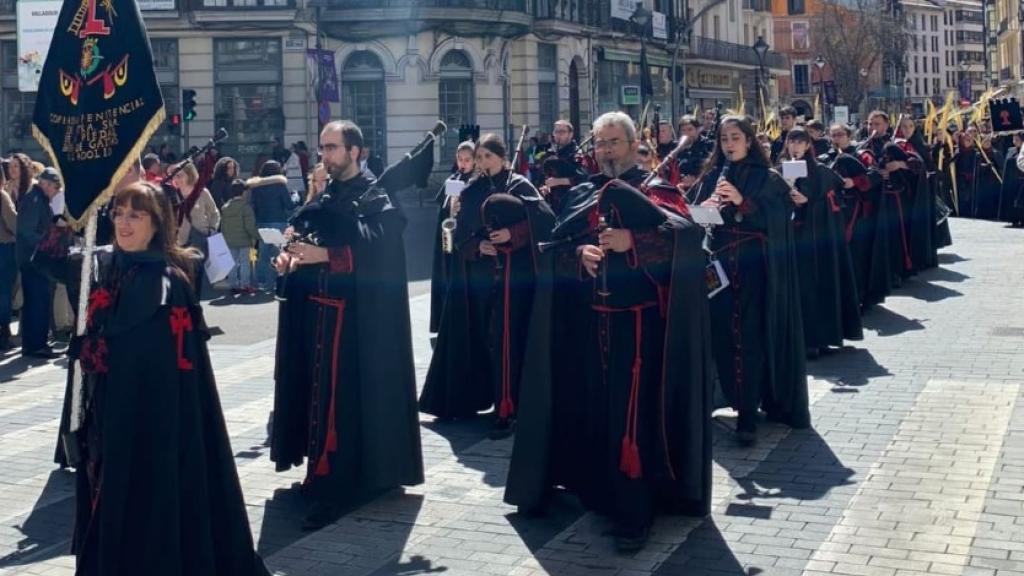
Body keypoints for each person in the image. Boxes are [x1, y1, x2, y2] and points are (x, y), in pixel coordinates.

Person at [505, 111, 714, 553]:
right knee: (593, 412)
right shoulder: (582, 191)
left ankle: (634, 510)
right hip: (587, 326)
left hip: (639, 329)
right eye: (599, 143)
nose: (605, 151)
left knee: (631, 418)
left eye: (614, 142)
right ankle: (601, 493)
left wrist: (632, 243)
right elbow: (556, 251)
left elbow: (686, 241)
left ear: (633, 144)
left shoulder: (659, 190)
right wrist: (580, 253)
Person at [55, 181, 270, 575]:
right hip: (112, 417)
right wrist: (67, 216)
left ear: (157, 224)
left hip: (153, 425)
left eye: (136, 215)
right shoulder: (105, 264)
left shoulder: (167, 282)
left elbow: (149, 360)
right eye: (118, 213)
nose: (124, 223)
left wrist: (100, 351)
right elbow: (48, 262)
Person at [270, 120, 423, 530]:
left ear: (356, 151)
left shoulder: (378, 196)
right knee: (314, 397)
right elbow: (303, 232)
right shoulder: (328, 192)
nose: (325, 156)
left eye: (333, 148)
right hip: (315, 315)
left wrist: (326, 257)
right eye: (322, 148)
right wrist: (290, 257)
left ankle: (338, 483)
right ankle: (317, 473)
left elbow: (379, 253)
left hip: (357, 327)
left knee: (343, 404)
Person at [420, 134, 554, 438]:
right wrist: (479, 245)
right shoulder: (471, 191)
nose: (482, 163)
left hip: (514, 280)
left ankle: (508, 407)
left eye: (487, 157)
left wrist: (513, 234)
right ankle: (471, 398)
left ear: (503, 158)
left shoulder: (520, 185)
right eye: (478, 158)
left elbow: (544, 219)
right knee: (480, 337)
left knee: (508, 339)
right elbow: (461, 234)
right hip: (478, 280)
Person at [691, 115, 808, 445]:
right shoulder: (715, 173)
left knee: (750, 338)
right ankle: (722, 397)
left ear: (748, 140)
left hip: (755, 269)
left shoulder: (767, 177)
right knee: (722, 335)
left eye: (735, 137)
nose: (729, 144)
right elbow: (696, 213)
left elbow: (779, 217)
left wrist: (743, 202)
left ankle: (747, 413)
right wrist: (704, 210)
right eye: (724, 138)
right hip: (719, 265)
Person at [779, 128, 862, 357]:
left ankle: (822, 337)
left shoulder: (821, 171)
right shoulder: (779, 170)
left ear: (807, 145)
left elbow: (835, 199)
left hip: (818, 240)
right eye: (791, 141)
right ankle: (801, 340)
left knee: (820, 285)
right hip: (792, 240)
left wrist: (809, 201)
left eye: (800, 142)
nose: (795, 146)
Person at [429, 141, 476, 334]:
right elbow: (445, 209)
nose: (463, 163)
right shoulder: (454, 179)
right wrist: (450, 209)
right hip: (448, 236)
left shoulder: (475, 181)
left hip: (465, 238)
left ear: (474, 160)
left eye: (467, 159)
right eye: (460, 159)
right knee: (445, 273)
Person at [17, 167, 62, 358]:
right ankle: (36, 345)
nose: (55, 193)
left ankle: (33, 343)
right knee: (38, 302)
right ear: (46, 184)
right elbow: (27, 231)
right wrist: (47, 243)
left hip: (33, 258)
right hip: (34, 260)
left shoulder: (37, 198)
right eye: (54, 188)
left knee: (35, 301)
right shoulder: (35, 200)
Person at [246, 161, 294, 291]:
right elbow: (288, 205)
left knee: (263, 254)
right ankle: (276, 280)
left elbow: (252, 205)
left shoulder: (256, 186)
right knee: (279, 253)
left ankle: (262, 281)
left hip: (262, 222)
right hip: (279, 221)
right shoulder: (280, 185)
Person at [220, 180, 258, 295]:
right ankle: (245, 284)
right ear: (244, 192)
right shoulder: (246, 207)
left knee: (232, 263)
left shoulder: (225, 207)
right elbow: (250, 226)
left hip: (230, 240)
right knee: (245, 263)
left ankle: (233, 285)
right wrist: (257, 236)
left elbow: (223, 226)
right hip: (245, 240)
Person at [0, 161, 16, 349]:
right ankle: (3, 331)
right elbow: (13, 222)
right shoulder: (2, 196)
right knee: (4, 290)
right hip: (3, 247)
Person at [999, 132, 1024, 226]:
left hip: (1021, 180)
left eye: (1017, 139)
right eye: (1014, 139)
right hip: (1012, 181)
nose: (1015, 141)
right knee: (1011, 201)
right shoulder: (1011, 150)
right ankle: (1013, 219)